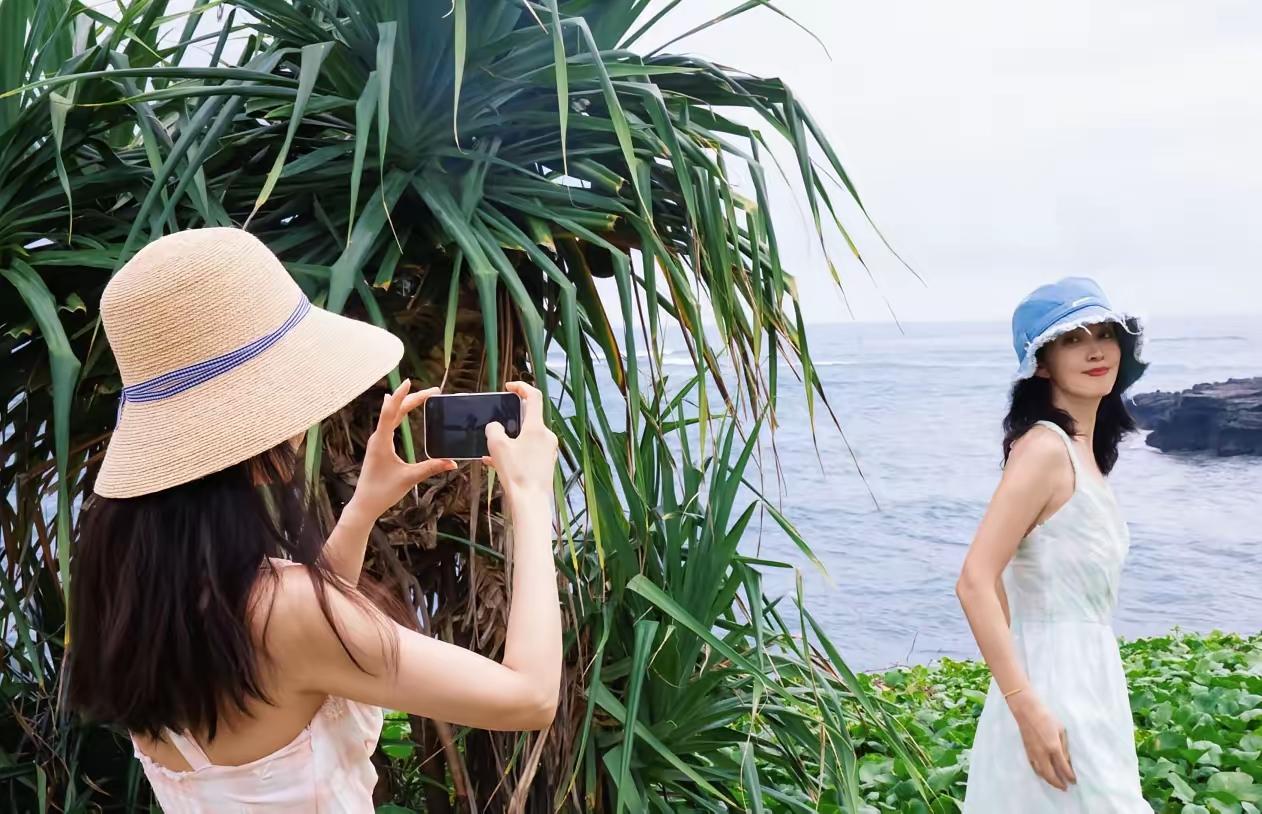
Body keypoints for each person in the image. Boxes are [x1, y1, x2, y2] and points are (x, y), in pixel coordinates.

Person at [65, 228, 561, 812]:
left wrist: (364, 506)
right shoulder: (283, 611)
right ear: (258, 428)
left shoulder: (129, 578)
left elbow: (295, 652)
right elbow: (528, 697)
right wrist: (530, 495)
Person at [956, 277, 1153, 812]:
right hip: (1055, 690)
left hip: (1089, 681)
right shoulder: (1045, 449)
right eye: (1072, 339)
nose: (1096, 350)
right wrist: (1026, 706)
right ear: (1041, 364)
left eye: (1105, 334)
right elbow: (975, 580)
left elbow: (1004, 583)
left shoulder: (1083, 453)